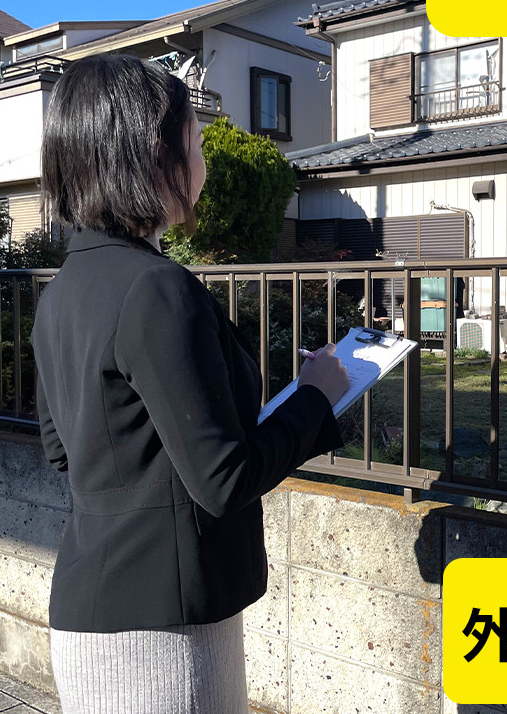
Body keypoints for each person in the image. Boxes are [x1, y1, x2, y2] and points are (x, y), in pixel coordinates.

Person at [31, 53, 349, 714]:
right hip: (164, 632)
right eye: (196, 143)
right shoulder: (156, 288)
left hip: (89, 610)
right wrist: (316, 398)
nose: (203, 160)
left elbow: (65, 451)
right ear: (153, 154)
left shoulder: (63, 291)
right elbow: (224, 479)